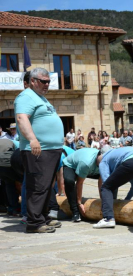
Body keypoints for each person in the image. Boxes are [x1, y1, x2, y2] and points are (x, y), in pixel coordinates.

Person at [15, 67, 63, 233]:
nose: (47, 84)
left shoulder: (41, 98)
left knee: (46, 187)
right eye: (43, 81)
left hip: (50, 150)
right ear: (33, 81)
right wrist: (33, 139)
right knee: (37, 186)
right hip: (37, 150)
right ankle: (34, 222)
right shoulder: (26, 96)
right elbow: (21, 118)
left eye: (48, 81)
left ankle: (42, 217)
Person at [93, 147, 133, 228]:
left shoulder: (103, 161)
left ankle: (108, 219)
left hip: (131, 161)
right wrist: (127, 198)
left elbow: (107, 183)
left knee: (106, 187)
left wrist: (105, 205)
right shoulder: (116, 153)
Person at [62, 148, 101, 222]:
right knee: (69, 181)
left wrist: (104, 201)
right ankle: (75, 211)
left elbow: (101, 183)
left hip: (91, 168)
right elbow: (79, 183)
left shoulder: (105, 163)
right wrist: (79, 203)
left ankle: (112, 204)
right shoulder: (86, 162)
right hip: (71, 166)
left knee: (111, 178)